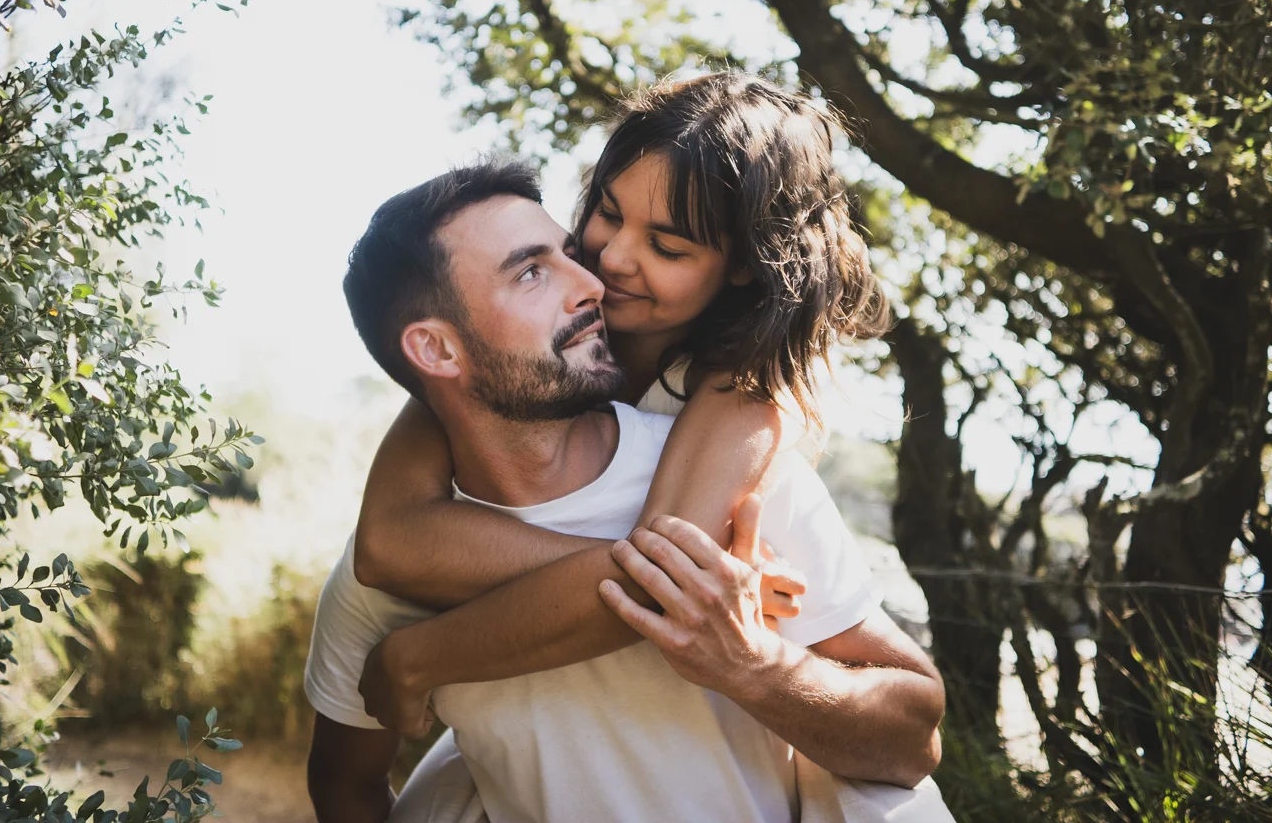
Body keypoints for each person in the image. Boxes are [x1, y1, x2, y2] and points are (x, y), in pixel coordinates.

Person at [304, 160, 948, 823]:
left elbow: (913, 739)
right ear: (436, 351)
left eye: (568, 254)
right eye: (532, 271)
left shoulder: (741, 483)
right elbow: (343, 787)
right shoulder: (390, 574)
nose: (595, 280)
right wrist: (677, 582)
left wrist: (754, 666)